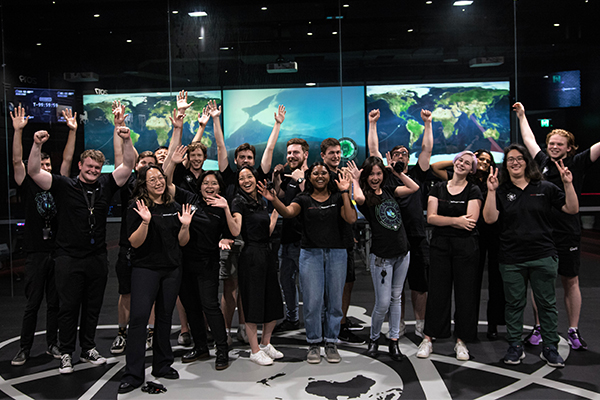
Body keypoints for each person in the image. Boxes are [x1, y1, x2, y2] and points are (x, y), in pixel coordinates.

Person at [27, 124, 136, 374]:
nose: (93, 171)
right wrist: (36, 144)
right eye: (89, 167)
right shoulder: (64, 185)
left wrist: (127, 139)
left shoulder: (106, 184)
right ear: (80, 166)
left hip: (96, 257)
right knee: (68, 307)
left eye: (97, 168)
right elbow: (33, 171)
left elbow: (128, 165)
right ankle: (66, 352)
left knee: (92, 306)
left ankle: (88, 348)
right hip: (68, 257)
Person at [483, 144, 579, 368]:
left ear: (527, 162)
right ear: (505, 165)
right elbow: (489, 218)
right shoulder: (501, 189)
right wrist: (490, 191)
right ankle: (515, 346)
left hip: (543, 256)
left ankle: (550, 348)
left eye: (519, 158)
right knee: (514, 304)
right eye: (510, 160)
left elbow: (572, 209)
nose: (515, 163)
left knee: (546, 304)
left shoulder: (545, 188)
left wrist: (568, 183)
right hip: (511, 258)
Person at [514, 102, 599, 350]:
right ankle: (540, 327)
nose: (553, 147)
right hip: (541, 233)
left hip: (568, 232)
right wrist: (522, 115)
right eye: (551, 143)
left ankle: (573, 330)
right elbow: (529, 138)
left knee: (570, 280)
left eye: (559, 144)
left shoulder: (580, 162)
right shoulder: (541, 161)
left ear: (569, 148)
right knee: (541, 281)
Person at [261, 162, 357, 364]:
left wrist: (346, 192)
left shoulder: (339, 197)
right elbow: (287, 212)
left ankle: (331, 342)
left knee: (334, 302)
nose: (320, 176)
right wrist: (274, 199)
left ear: (329, 176)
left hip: (337, 254)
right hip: (310, 254)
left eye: (324, 173)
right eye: (315, 173)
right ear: (309, 177)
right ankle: (314, 343)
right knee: (313, 303)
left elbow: (350, 218)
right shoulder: (303, 199)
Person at [213, 100, 285, 344]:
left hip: (254, 242)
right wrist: (215, 119)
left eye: (249, 157)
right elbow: (220, 147)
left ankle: (246, 327)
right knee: (230, 288)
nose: (245, 160)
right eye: (241, 157)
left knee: (249, 290)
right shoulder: (230, 177)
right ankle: (224, 331)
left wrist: (276, 125)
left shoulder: (258, 179)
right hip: (229, 239)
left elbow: (270, 149)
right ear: (236, 161)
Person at [118, 165, 194, 394]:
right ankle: (133, 374)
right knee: (140, 319)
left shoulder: (175, 206)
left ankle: (162, 364)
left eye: (160, 178)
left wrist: (185, 226)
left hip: (171, 270)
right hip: (145, 270)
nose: (158, 182)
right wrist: (145, 222)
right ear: (144, 184)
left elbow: (182, 242)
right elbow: (134, 242)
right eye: (152, 179)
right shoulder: (136, 207)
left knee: (164, 318)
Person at [10, 106, 77, 366]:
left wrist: (72, 132)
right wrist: (19, 132)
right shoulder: (27, 182)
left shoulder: (58, 185)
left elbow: (68, 162)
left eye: (49, 165)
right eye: (43, 164)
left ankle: (52, 344)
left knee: (55, 303)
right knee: (33, 303)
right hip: (36, 251)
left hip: (57, 251)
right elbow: (18, 161)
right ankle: (24, 348)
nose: (46, 168)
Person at [163, 141, 238, 370]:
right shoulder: (191, 200)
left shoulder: (223, 207)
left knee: (209, 305)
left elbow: (233, 232)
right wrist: (172, 164)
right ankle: (201, 347)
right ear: (200, 186)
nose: (209, 186)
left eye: (214, 183)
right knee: (191, 305)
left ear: (219, 187)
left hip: (208, 264)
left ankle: (222, 349)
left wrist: (225, 210)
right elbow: (166, 185)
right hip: (185, 262)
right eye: (205, 182)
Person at [368, 108, 433, 339]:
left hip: (415, 236)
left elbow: (427, 149)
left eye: (405, 153)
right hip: (394, 238)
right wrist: (373, 124)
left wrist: (427, 124)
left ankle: (420, 323)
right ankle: (400, 323)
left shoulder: (417, 174)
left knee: (420, 285)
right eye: (397, 153)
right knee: (397, 289)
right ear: (391, 157)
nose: (401, 155)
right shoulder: (385, 178)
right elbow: (373, 150)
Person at [347, 157, 418, 361]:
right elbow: (358, 199)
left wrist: (397, 173)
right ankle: (374, 338)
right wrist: (355, 179)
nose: (375, 178)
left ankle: (394, 341)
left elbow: (414, 188)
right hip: (382, 258)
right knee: (383, 303)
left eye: (378, 174)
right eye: (372, 174)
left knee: (396, 299)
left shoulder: (390, 190)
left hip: (402, 253)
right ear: (366, 176)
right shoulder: (366, 197)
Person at [431, 149, 505, 340]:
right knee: (442, 289)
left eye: (487, 161)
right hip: (449, 241)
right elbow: (432, 217)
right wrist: (460, 158)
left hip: (478, 237)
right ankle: (435, 333)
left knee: (472, 289)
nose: (483, 163)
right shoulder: (442, 185)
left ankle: (484, 328)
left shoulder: (481, 185)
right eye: (479, 159)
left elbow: (471, 221)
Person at [417, 150, 482, 361]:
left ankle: (461, 341)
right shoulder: (437, 187)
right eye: (459, 161)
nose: (462, 164)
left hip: (466, 248)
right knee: (437, 293)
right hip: (440, 246)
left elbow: (470, 222)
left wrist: (454, 221)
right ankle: (428, 338)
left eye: (467, 163)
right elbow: (432, 219)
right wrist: (455, 221)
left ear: (472, 170)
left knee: (465, 294)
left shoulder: (474, 190)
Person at [230, 166, 283, 366]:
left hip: (267, 253)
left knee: (272, 299)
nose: (246, 180)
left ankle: (266, 343)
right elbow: (236, 228)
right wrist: (228, 212)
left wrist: (275, 207)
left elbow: (268, 230)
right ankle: (254, 350)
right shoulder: (238, 201)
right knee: (253, 302)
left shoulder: (260, 201)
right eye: (241, 178)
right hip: (250, 255)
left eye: (249, 176)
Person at [319, 138, 363, 344]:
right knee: (326, 286)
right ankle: (326, 325)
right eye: (332, 153)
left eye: (338, 152)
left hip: (345, 235)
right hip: (325, 238)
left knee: (347, 282)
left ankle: (341, 323)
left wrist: (354, 181)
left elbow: (353, 202)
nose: (336, 156)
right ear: (323, 155)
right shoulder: (318, 176)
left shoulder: (345, 174)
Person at [272, 138, 309, 333]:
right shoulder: (289, 178)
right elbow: (279, 199)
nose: (291, 156)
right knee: (286, 282)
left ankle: (314, 323)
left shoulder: (312, 175)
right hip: (286, 238)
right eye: (289, 153)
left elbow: (312, 200)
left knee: (308, 286)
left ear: (305, 155)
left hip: (305, 241)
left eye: (295, 152)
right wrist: (277, 179)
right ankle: (292, 318)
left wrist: (301, 179)